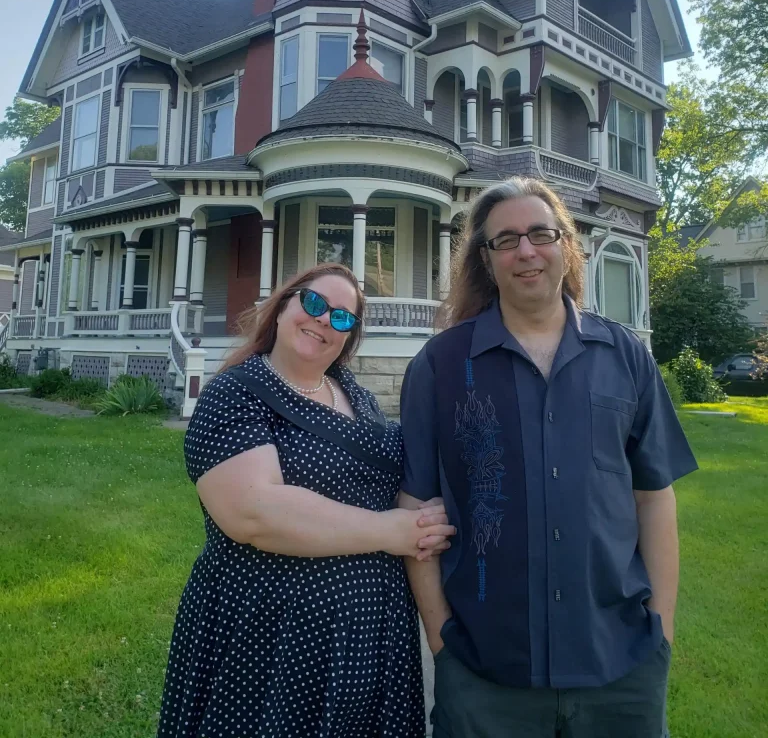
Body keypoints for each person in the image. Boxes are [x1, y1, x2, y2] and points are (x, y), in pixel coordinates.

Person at [399, 177, 698, 738]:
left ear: (566, 244)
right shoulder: (440, 368)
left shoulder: (625, 355)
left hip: (621, 668)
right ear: (486, 261)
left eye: (541, 233)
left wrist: (662, 629)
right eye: (505, 240)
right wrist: (442, 640)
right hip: (486, 675)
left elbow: (654, 495)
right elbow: (416, 509)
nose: (526, 251)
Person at [158, 263, 455, 738]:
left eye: (342, 318)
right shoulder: (236, 393)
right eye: (315, 304)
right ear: (282, 307)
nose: (323, 321)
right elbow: (254, 513)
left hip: (371, 643)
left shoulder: (359, 397)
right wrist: (393, 530)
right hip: (271, 643)